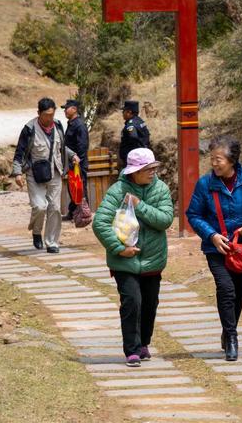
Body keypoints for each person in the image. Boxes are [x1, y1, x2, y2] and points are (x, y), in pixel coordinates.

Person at [186, 135, 242, 361]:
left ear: (232, 160)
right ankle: (233, 337)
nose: (214, 163)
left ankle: (228, 331)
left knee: (239, 294)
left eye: (219, 159)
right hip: (216, 249)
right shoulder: (205, 184)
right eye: (212, 158)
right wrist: (212, 235)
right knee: (226, 289)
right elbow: (194, 214)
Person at [92, 148, 173, 367]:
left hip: (153, 260)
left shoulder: (161, 189)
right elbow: (99, 223)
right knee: (132, 302)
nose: (152, 173)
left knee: (149, 304)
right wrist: (119, 249)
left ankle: (144, 342)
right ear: (134, 172)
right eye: (147, 169)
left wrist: (139, 205)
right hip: (124, 261)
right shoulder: (117, 191)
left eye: (154, 168)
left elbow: (165, 220)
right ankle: (132, 349)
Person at [12, 97, 79, 253]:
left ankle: (52, 242)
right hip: (35, 173)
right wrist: (17, 173)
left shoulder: (58, 125)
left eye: (52, 114)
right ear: (38, 113)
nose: (49, 118)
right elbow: (19, 153)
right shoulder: (29, 128)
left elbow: (61, 147)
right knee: (39, 206)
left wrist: (72, 155)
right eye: (46, 115)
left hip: (55, 171)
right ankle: (36, 231)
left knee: (55, 208)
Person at [61, 99, 89, 221]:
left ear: (74, 109)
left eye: (67, 108)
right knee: (73, 188)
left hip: (78, 163)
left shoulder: (79, 125)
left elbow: (82, 146)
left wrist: (78, 161)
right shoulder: (72, 123)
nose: (65, 111)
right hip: (72, 163)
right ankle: (73, 212)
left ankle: (84, 214)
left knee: (80, 188)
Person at [119, 100, 150, 165]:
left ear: (129, 112)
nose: (122, 113)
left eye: (123, 111)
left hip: (134, 161)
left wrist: (133, 153)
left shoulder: (131, 125)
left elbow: (133, 137)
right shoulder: (140, 121)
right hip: (142, 157)